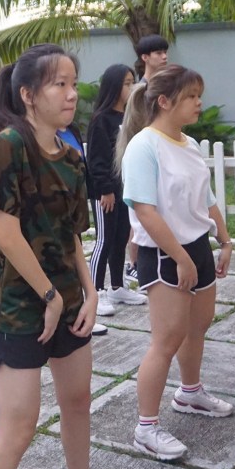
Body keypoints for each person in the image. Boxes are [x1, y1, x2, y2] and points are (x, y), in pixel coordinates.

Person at [0, 45, 105, 469]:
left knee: (78, 402)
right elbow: (6, 233)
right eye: (59, 84)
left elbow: (72, 236)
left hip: (68, 300)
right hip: (20, 306)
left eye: (74, 84)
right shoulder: (10, 145)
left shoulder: (71, 157)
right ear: (28, 94)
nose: (72, 94)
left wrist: (90, 293)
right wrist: (48, 297)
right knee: (18, 429)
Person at [118, 64, 235, 461]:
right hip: (165, 255)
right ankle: (146, 428)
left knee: (197, 328)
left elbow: (207, 198)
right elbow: (145, 211)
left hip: (196, 248)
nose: (199, 103)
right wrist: (181, 258)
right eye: (191, 96)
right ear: (165, 102)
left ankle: (189, 393)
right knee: (165, 341)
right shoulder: (143, 146)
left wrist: (225, 240)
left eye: (199, 95)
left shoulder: (189, 143)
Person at [85, 64, 146, 317]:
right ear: (113, 87)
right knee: (104, 240)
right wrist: (105, 189)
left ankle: (117, 287)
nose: (132, 87)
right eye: (127, 83)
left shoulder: (128, 117)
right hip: (106, 193)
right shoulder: (101, 119)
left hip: (124, 190)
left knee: (121, 238)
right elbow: (97, 159)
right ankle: (95, 291)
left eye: (133, 82)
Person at [123, 35, 172, 287]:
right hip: (143, 158)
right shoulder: (139, 91)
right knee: (140, 214)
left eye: (165, 52)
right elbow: (132, 128)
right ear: (144, 57)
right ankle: (134, 264)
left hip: (165, 157)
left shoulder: (169, 84)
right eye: (158, 53)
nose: (164, 56)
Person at [57, 118, 109, 337]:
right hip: (57, 209)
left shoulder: (72, 130)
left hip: (74, 204)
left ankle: (81, 310)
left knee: (74, 254)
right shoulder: (43, 135)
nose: (71, 100)